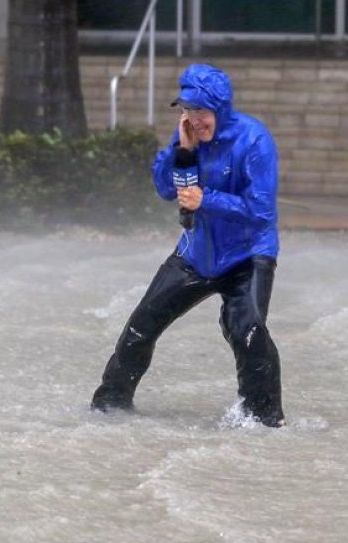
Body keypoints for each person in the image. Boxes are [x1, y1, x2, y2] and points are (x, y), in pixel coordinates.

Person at [90, 63, 286, 427]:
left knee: (247, 330)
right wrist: (180, 150)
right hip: (195, 254)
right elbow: (167, 189)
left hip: (247, 255)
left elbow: (260, 213)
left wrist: (206, 199)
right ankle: (109, 407)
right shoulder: (189, 138)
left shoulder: (255, 141)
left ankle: (264, 420)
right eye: (186, 110)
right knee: (141, 326)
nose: (193, 119)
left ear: (220, 108)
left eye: (200, 110)